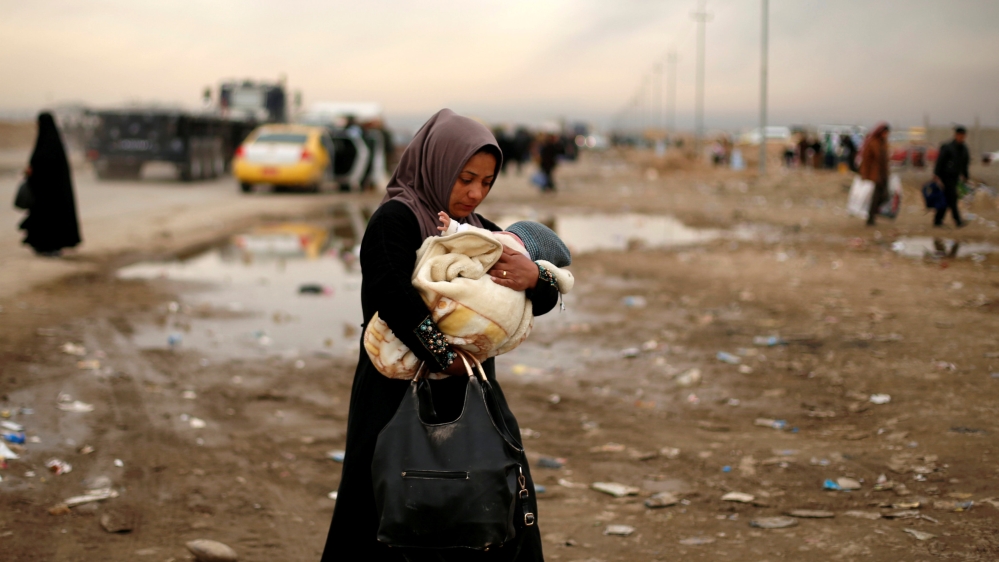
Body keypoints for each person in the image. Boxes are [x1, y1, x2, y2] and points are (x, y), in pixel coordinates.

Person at [320, 109, 557, 562]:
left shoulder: (479, 234)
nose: (475, 192)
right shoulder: (396, 220)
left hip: (469, 393)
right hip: (394, 398)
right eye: (465, 177)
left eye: (486, 182)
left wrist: (535, 279)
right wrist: (443, 354)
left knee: (485, 503)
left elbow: (532, 302)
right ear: (437, 164)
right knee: (388, 507)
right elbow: (390, 296)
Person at [18, 112, 81, 256]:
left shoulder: (46, 146)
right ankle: (47, 246)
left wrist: (32, 172)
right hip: (51, 195)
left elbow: (42, 167)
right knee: (49, 219)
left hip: (47, 195)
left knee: (48, 220)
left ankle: (49, 246)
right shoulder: (54, 144)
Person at [932, 126, 970, 228]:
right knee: (952, 198)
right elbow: (940, 161)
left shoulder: (964, 149)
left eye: (963, 136)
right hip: (945, 176)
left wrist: (966, 176)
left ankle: (937, 220)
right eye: (959, 135)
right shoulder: (948, 147)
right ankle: (958, 221)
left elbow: (965, 164)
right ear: (956, 135)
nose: (961, 137)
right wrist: (936, 174)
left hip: (955, 177)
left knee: (947, 199)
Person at [859, 122, 890, 226]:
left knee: (885, 196)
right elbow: (866, 160)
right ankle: (870, 217)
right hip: (875, 174)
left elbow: (885, 159)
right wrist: (865, 174)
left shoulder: (883, 143)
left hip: (883, 173)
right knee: (876, 196)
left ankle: (872, 213)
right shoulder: (872, 143)